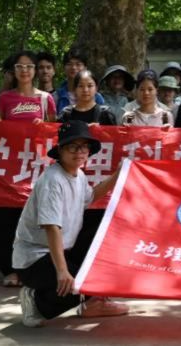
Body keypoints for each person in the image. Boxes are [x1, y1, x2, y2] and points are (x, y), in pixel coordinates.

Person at [15, 120, 128, 327]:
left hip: (63, 249)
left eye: (84, 147)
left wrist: (118, 175)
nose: (79, 152)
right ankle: (36, 302)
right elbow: (51, 227)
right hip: (35, 259)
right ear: (60, 150)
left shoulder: (79, 174)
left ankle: (92, 304)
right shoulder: (53, 181)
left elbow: (90, 197)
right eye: (72, 147)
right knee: (82, 281)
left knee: (102, 254)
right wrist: (62, 270)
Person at [0, 51, 58, 287]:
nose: (25, 71)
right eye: (20, 66)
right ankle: (10, 269)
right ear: (13, 70)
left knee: (37, 219)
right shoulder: (5, 98)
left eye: (29, 66)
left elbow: (55, 131)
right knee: (8, 220)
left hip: (37, 167)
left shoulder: (46, 99)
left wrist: (44, 127)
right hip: (11, 167)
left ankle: (37, 269)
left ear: (35, 70)